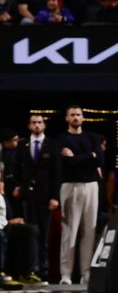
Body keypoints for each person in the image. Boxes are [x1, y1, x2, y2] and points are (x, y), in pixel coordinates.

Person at [57, 106, 103, 285]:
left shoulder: (92, 137)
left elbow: (99, 159)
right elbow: (66, 163)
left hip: (91, 186)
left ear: (83, 118)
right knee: (69, 231)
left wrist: (78, 157)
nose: (76, 118)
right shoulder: (62, 139)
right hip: (70, 185)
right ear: (67, 119)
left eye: (78, 115)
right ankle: (66, 274)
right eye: (72, 115)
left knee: (89, 231)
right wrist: (88, 156)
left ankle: (86, 273)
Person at [15, 114, 60, 281]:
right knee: (31, 233)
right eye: (33, 123)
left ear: (44, 125)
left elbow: (57, 173)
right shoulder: (22, 145)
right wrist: (19, 186)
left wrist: (55, 197)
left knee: (44, 235)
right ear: (29, 126)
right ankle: (31, 269)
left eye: (39, 122)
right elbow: (18, 169)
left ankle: (44, 270)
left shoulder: (52, 145)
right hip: (28, 196)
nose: (36, 125)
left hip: (46, 196)